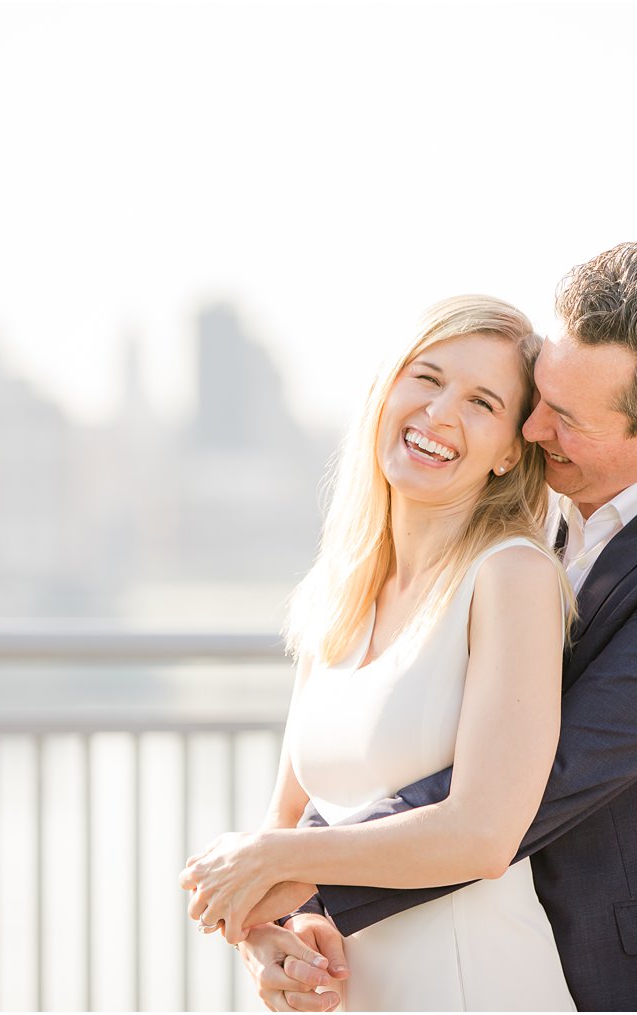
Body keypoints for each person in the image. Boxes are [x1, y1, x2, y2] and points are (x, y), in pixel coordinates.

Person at [230, 242, 637, 1012]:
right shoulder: (521, 518)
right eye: (538, 394)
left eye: (562, 414)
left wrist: (299, 874)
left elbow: (550, 777)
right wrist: (289, 909)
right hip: (477, 945)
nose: (531, 427)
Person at [179, 294, 580, 1011]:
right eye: (426, 378)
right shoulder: (339, 591)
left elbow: (484, 832)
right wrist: (278, 939)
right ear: (387, 389)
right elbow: (291, 825)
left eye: (483, 402)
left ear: (509, 452)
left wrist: (280, 863)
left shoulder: (512, 576)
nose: (441, 412)